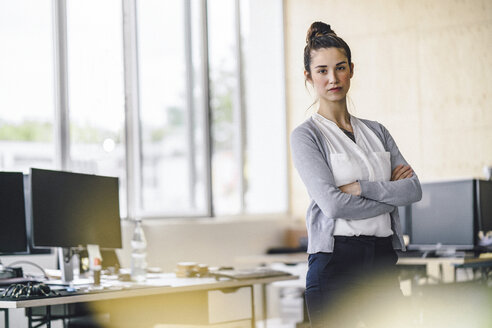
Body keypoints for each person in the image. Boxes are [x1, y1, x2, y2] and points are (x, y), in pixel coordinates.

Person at [290, 21, 422, 327]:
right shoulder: (306, 136)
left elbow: (414, 190)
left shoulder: (377, 131)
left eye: (340, 68)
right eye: (322, 70)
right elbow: (333, 205)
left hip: (381, 262)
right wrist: (390, 195)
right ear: (309, 76)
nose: (333, 78)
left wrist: (361, 187)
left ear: (351, 69)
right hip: (336, 265)